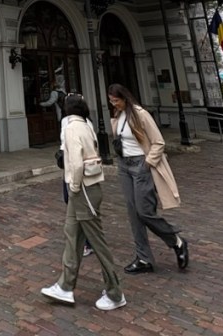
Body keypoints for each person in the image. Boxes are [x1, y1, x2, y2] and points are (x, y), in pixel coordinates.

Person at [41, 94, 126, 312]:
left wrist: (75, 186)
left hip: (83, 190)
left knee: (97, 241)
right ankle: (65, 286)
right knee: (72, 236)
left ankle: (115, 293)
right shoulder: (87, 125)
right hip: (88, 188)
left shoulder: (71, 128)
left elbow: (77, 164)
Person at [108, 83, 189, 274]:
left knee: (144, 212)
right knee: (133, 214)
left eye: (116, 100)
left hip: (140, 165)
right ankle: (143, 258)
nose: (113, 104)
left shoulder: (140, 114)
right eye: (111, 101)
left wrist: (147, 163)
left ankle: (176, 241)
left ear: (125, 98)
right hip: (124, 166)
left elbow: (158, 142)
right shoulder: (118, 115)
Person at [57, 93, 93, 257]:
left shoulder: (84, 123)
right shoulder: (66, 121)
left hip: (78, 167)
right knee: (69, 200)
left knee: (77, 203)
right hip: (68, 165)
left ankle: (86, 242)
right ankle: (83, 241)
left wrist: (75, 183)